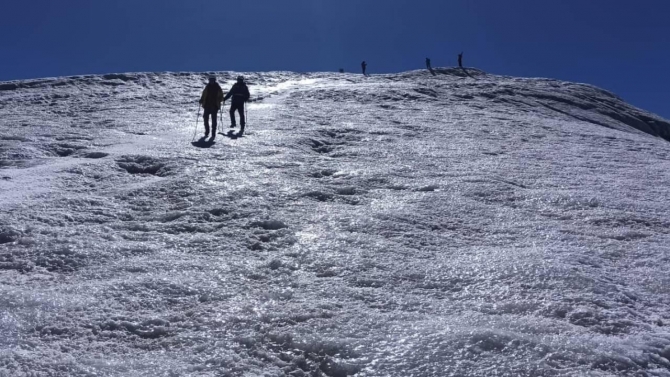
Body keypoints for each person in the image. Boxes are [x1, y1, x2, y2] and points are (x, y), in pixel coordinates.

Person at [199, 76, 223, 141]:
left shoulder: (217, 87)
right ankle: (207, 131)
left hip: (214, 106)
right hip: (207, 106)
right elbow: (204, 95)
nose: (211, 81)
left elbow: (221, 96)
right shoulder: (207, 87)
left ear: (214, 80)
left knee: (213, 120)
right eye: (210, 80)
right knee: (205, 119)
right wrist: (201, 100)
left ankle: (213, 133)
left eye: (212, 80)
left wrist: (218, 100)